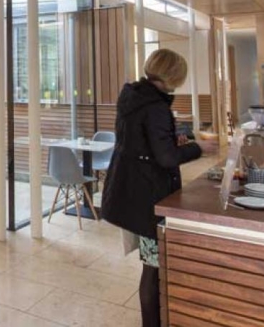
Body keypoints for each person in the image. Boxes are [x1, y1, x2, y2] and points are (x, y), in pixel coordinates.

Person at [101, 48, 202, 327]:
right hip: (149, 194)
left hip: (133, 189)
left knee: (151, 263)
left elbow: (144, 143)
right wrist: (198, 148)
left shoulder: (133, 98)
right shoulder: (156, 106)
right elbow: (166, 157)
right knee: (153, 266)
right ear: (173, 76)